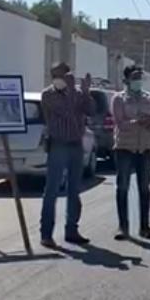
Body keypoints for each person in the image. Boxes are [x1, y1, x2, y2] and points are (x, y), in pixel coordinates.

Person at [39, 62, 96, 249]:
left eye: (62, 75)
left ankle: (72, 229)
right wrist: (73, 90)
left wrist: (86, 92)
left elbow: (91, 110)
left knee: (74, 189)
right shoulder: (48, 95)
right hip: (58, 144)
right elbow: (67, 112)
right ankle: (46, 233)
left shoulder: (78, 94)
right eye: (55, 75)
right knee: (52, 190)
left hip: (75, 144)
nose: (59, 79)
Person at [111, 65, 150, 241]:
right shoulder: (119, 99)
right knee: (123, 187)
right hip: (124, 148)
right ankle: (123, 227)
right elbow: (120, 123)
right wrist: (138, 121)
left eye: (140, 77)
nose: (138, 80)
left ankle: (144, 227)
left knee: (144, 188)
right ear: (127, 80)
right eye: (135, 77)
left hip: (144, 148)